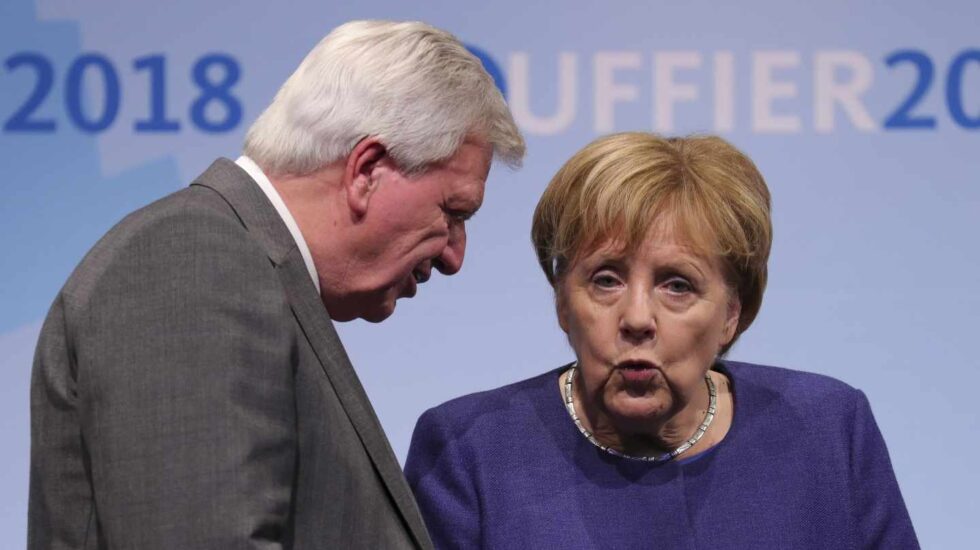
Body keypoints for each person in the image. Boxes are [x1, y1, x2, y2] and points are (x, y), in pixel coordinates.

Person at [28, 20, 524, 549]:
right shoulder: (195, 258)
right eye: (453, 211)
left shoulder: (239, 267)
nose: (455, 256)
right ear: (367, 170)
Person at [405, 133, 917, 549]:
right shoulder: (469, 450)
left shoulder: (826, 430)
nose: (637, 318)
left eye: (678, 284)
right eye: (606, 279)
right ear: (563, 301)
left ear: (731, 315)